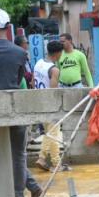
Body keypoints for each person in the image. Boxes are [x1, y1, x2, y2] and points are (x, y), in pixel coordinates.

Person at [0, 8, 43, 197]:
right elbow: (19, 79)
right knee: (18, 155)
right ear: (7, 27)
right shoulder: (20, 52)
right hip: (15, 107)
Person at [34, 40, 67, 172]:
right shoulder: (54, 70)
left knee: (53, 133)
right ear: (58, 53)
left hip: (38, 101)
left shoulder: (38, 63)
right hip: (49, 104)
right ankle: (42, 157)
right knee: (53, 134)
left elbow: (33, 82)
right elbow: (53, 91)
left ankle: (56, 163)